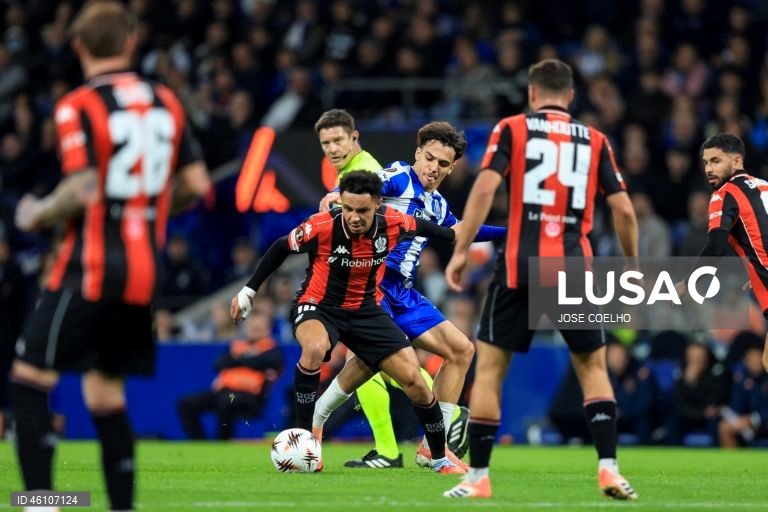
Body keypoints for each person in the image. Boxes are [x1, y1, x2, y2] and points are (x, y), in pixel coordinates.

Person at [11, 2, 210, 511]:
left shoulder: (77, 104)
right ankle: (122, 507)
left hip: (88, 267)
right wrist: (147, 212)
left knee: (30, 379)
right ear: (130, 43)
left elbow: (81, 188)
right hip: (144, 272)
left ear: (78, 47)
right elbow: (195, 183)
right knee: (105, 396)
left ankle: (41, 503)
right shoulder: (166, 101)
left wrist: (36, 214)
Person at [443, 59, 639, 499]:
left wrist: (461, 250)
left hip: (517, 265)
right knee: (592, 369)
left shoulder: (512, 129)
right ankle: (609, 469)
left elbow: (484, 189)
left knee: (491, 372)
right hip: (572, 269)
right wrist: (631, 265)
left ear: (532, 94)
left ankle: (478, 478)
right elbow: (624, 209)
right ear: (570, 96)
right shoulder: (595, 140)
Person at [231, 170, 463, 474]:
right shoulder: (321, 226)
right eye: (349, 208)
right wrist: (249, 290)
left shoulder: (393, 222)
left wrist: (459, 234)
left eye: (363, 211)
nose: (354, 217)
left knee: (415, 381)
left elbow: (430, 228)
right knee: (314, 349)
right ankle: (307, 442)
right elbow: (280, 248)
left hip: (366, 311)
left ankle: (439, 458)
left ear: (379, 204)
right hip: (318, 306)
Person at [313, 122, 507, 469]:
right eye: (429, 157)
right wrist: (335, 196)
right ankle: (316, 422)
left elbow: (462, 232)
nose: (433, 168)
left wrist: (512, 232)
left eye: (443, 164)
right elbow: (366, 187)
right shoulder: (398, 177)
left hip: (403, 291)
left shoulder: (437, 203)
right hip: (373, 283)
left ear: (452, 167)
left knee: (461, 350)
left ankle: (434, 446)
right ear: (417, 153)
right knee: (376, 360)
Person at [314, 109, 443, 469]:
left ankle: (398, 443)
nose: (333, 148)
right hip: (374, 280)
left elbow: (372, 191)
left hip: (380, 281)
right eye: (326, 143)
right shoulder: (351, 170)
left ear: (355, 138)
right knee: (378, 362)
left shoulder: (367, 168)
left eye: (339, 140)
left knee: (373, 359)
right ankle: (398, 442)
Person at [675, 133, 768, 374]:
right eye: (706, 162)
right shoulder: (764, 186)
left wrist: (689, 283)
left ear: (736, 161)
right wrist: (756, 269)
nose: (708, 168)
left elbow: (716, 245)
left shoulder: (725, 194)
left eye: (716, 161)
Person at [177, 313, 282, 440]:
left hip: (250, 397)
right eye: (251, 327)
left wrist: (238, 359)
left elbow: (267, 361)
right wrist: (249, 358)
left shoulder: (273, 349)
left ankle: (223, 441)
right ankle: (199, 442)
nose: (253, 331)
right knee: (186, 403)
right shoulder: (237, 344)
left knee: (227, 401)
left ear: (267, 329)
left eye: (258, 328)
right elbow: (219, 363)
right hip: (223, 391)